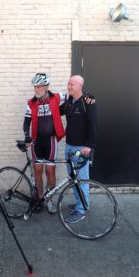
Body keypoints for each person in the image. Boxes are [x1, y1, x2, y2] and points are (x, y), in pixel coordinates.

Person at [23, 73, 67, 214]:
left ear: (46, 86)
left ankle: (49, 201)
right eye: (35, 86)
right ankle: (40, 199)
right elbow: (26, 123)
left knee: (50, 171)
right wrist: (27, 136)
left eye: (39, 86)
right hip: (37, 142)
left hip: (51, 141)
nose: (36, 89)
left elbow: (73, 95)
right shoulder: (31, 103)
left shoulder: (57, 97)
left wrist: (87, 95)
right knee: (37, 171)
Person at [59, 75, 97, 223]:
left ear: (80, 86)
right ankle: (80, 203)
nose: (69, 86)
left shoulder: (88, 103)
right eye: (68, 83)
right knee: (73, 179)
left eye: (72, 84)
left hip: (81, 148)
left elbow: (93, 126)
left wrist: (90, 146)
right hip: (69, 146)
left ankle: (81, 210)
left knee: (81, 180)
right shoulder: (69, 103)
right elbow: (56, 109)